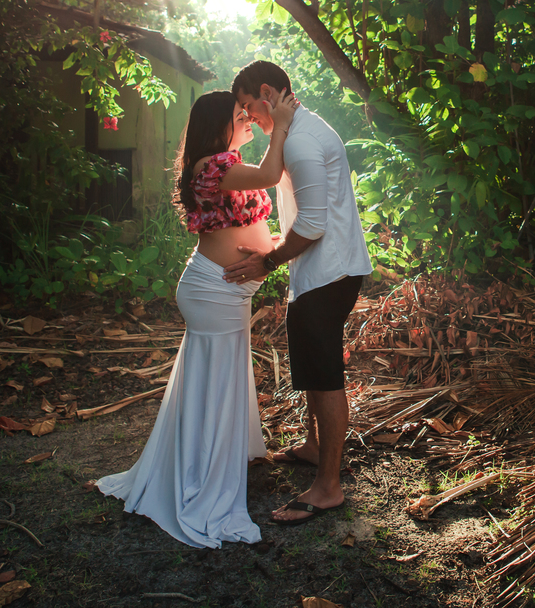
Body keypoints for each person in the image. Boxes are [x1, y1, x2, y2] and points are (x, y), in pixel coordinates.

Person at [95, 89, 297, 547]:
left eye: (248, 113)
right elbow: (270, 172)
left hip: (219, 290)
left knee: (216, 376)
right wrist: (281, 123)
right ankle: (201, 473)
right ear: (216, 125)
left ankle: (210, 458)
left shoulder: (220, 164)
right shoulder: (218, 165)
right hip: (214, 290)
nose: (247, 118)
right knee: (216, 379)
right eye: (239, 115)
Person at [224, 61, 372, 527]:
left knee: (325, 375)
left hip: (329, 273)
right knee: (309, 362)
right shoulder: (296, 130)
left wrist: (267, 261)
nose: (248, 118)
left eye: (249, 107)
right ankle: (313, 448)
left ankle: (328, 487)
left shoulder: (303, 141)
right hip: (317, 271)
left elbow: (312, 225)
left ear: (267, 92)